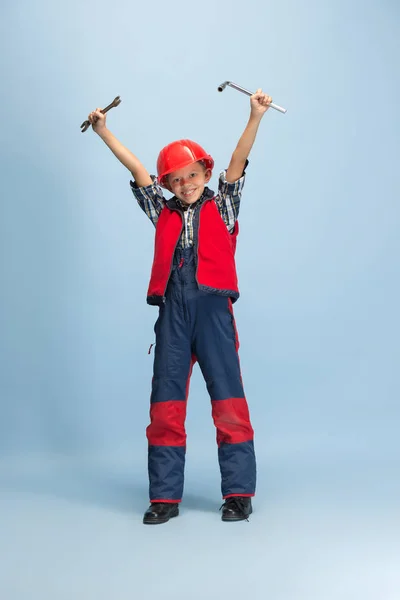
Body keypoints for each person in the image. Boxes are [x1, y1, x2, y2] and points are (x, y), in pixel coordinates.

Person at [87, 89, 272, 524]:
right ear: (166, 184)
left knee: (228, 401)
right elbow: (135, 168)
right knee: (165, 406)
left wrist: (254, 116)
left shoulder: (223, 204)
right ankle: (165, 498)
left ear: (205, 172)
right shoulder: (161, 210)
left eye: (192, 175)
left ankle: (239, 493)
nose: (185, 184)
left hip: (213, 315)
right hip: (172, 316)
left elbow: (239, 161)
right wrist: (103, 131)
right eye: (175, 179)